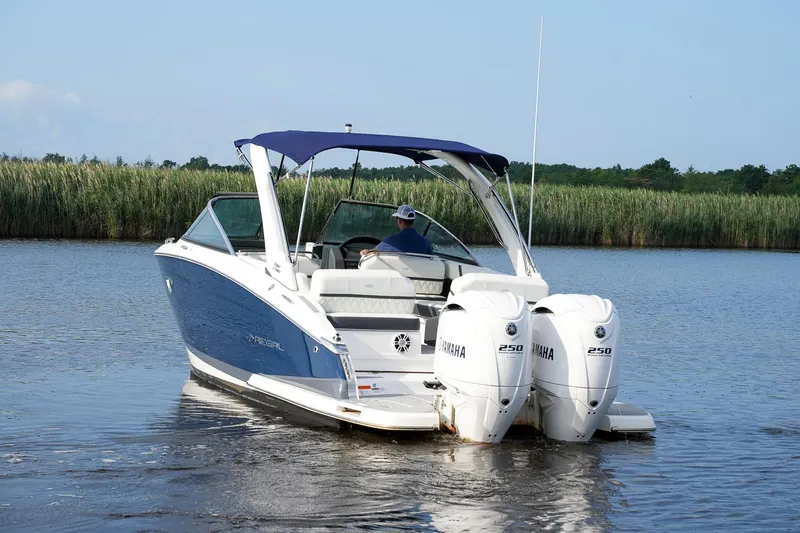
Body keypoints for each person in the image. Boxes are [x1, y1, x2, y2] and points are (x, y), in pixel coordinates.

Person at [360, 205, 433, 256]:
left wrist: (365, 251)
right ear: (413, 221)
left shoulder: (390, 241)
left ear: (400, 221)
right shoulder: (425, 242)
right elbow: (431, 259)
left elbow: (372, 253)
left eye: (396, 218)